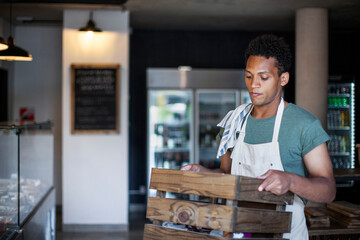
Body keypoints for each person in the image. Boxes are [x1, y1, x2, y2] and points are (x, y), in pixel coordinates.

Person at [181, 34, 336, 239]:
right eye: (249, 76)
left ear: (283, 78)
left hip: (285, 233)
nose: (254, 84)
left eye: (263, 77)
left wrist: (290, 181)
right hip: (237, 232)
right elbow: (227, 175)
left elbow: (328, 190)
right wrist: (203, 173)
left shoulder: (304, 124)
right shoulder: (233, 122)